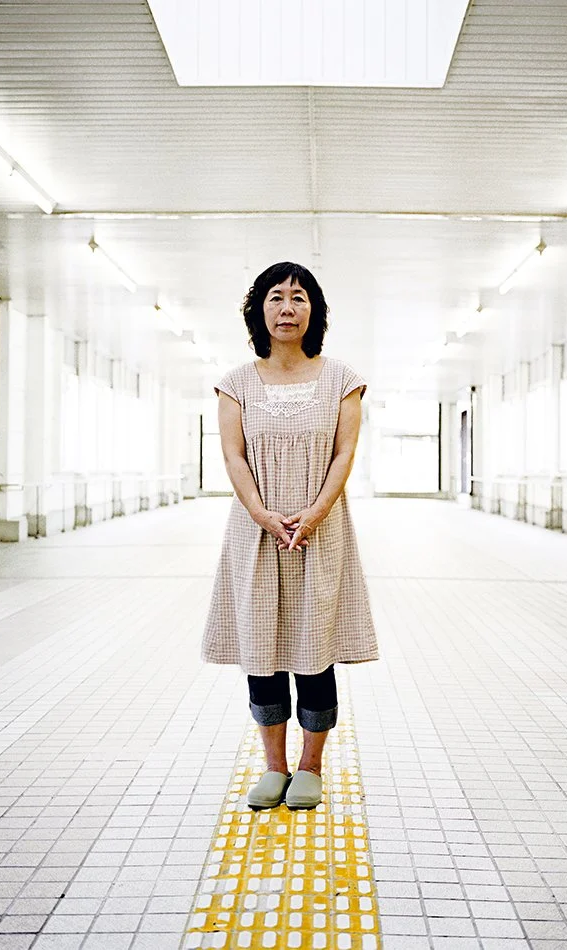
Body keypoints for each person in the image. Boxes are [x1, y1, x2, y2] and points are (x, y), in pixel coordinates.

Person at [202, 261, 378, 811]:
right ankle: (274, 766)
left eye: (299, 298)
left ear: (314, 312)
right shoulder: (235, 383)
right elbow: (233, 457)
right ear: (258, 311)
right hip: (255, 533)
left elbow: (345, 453)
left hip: (320, 533)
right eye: (275, 297)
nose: (286, 308)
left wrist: (316, 513)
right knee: (262, 653)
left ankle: (311, 766)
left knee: (314, 651)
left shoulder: (342, 379)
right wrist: (262, 514)